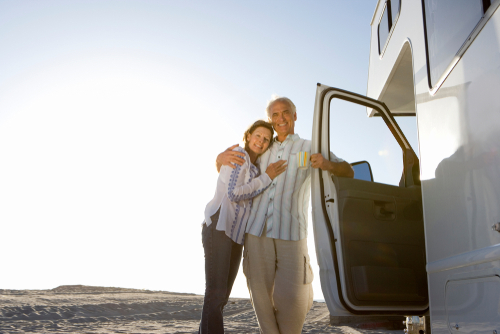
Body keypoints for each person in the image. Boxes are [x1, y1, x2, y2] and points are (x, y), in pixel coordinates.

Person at [216, 96, 353, 334]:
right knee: (260, 297)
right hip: (256, 233)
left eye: (286, 113)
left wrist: (327, 164)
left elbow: (348, 170)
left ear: (295, 116)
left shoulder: (311, 146)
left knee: (294, 299)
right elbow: (232, 170)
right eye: (275, 115)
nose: (281, 119)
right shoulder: (261, 147)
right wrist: (218, 159)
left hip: (293, 233)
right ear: (270, 119)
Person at [199, 120, 288, 334]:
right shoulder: (239, 155)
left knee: (220, 297)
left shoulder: (254, 169)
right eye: (258, 135)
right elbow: (233, 193)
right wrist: (268, 177)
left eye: (266, 139)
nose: (261, 141)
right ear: (248, 136)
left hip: (236, 237)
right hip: (219, 228)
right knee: (216, 295)